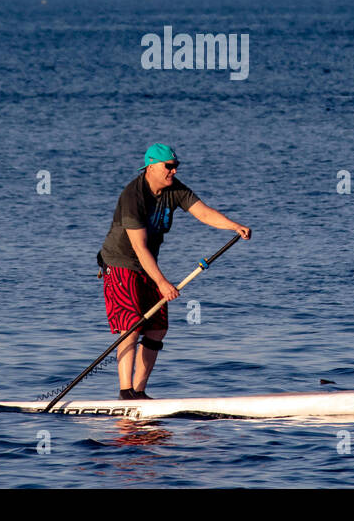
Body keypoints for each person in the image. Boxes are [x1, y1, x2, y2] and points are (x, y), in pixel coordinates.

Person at [96, 143, 250, 399]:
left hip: (147, 264)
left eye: (176, 166)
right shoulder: (133, 196)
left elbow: (203, 213)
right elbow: (139, 246)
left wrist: (234, 226)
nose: (174, 172)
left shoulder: (174, 190)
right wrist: (162, 282)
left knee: (157, 328)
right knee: (132, 324)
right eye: (169, 167)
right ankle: (125, 392)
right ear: (151, 166)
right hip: (120, 263)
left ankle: (140, 393)